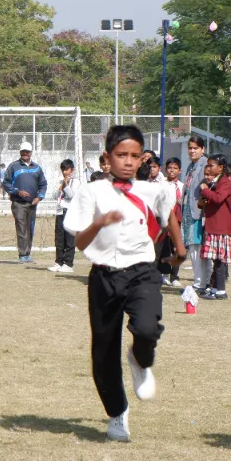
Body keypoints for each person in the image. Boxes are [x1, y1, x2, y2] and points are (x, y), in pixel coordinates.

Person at [64, 124, 185, 443]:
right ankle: (118, 413)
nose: (128, 162)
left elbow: (168, 213)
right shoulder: (92, 192)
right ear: (107, 157)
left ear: (142, 157)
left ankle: (140, 359)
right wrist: (99, 222)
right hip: (104, 275)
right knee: (103, 352)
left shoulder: (153, 189)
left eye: (135, 156)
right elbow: (78, 242)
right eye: (121, 155)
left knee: (146, 327)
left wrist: (180, 248)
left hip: (142, 270)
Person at [196, 154, 231, 301]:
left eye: (212, 165)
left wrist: (205, 190)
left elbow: (217, 198)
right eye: (208, 165)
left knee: (220, 260)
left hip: (220, 227)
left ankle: (221, 290)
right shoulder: (212, 182)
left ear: (221, 167)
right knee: (214, 259)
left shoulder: (225, 182)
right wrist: (203, 197)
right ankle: (214, 287)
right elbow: (206, 201)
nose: (209, 168)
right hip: (212, 225)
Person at [2, 141, 47, 263]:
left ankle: (28, 254)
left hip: (32, 204)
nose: (25, 153)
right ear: (20, 152)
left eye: (27, 151)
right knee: (22, 228)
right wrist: (17, 192)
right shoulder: (13, 166)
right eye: (23, 151)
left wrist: (39, 197)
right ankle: (23, 254)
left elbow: (43, 184)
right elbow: (5, 183)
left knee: (30, 228)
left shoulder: (37, 168)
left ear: (31, 152)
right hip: (18, 203)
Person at [180, 136, 209, 298]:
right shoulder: (191, 165)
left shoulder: (205, 164)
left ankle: (200, 282)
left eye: (195, 148)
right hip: (188, 212)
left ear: (202, 149)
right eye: (190, 148)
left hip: (198, 212)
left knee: (197, 248)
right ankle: (198, 281)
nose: (192, 151)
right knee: (192, 247)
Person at [156, 158, 184, 287]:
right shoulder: (161, 184)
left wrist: (181, 203)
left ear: (179, 170)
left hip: (177, 220)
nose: (172, 171)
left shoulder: (182, 186)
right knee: (163, 248)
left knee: (176, 247)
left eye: (175, 168)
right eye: (169, 168)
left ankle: (175, 276)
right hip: (164, 219)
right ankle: (164, 274)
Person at [49, 159, 77, 273]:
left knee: (69, 239)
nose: (65, 172)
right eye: (63, 170)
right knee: (59, 238)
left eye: (67, 169)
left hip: (70, 212)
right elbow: (55, 195)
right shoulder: (61, 181)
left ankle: (68, 263)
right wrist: (61, 185)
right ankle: (59, 262)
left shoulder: (76, 182)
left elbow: (71, 195)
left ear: (72, 170)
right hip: (60, 211)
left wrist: (65, 185)